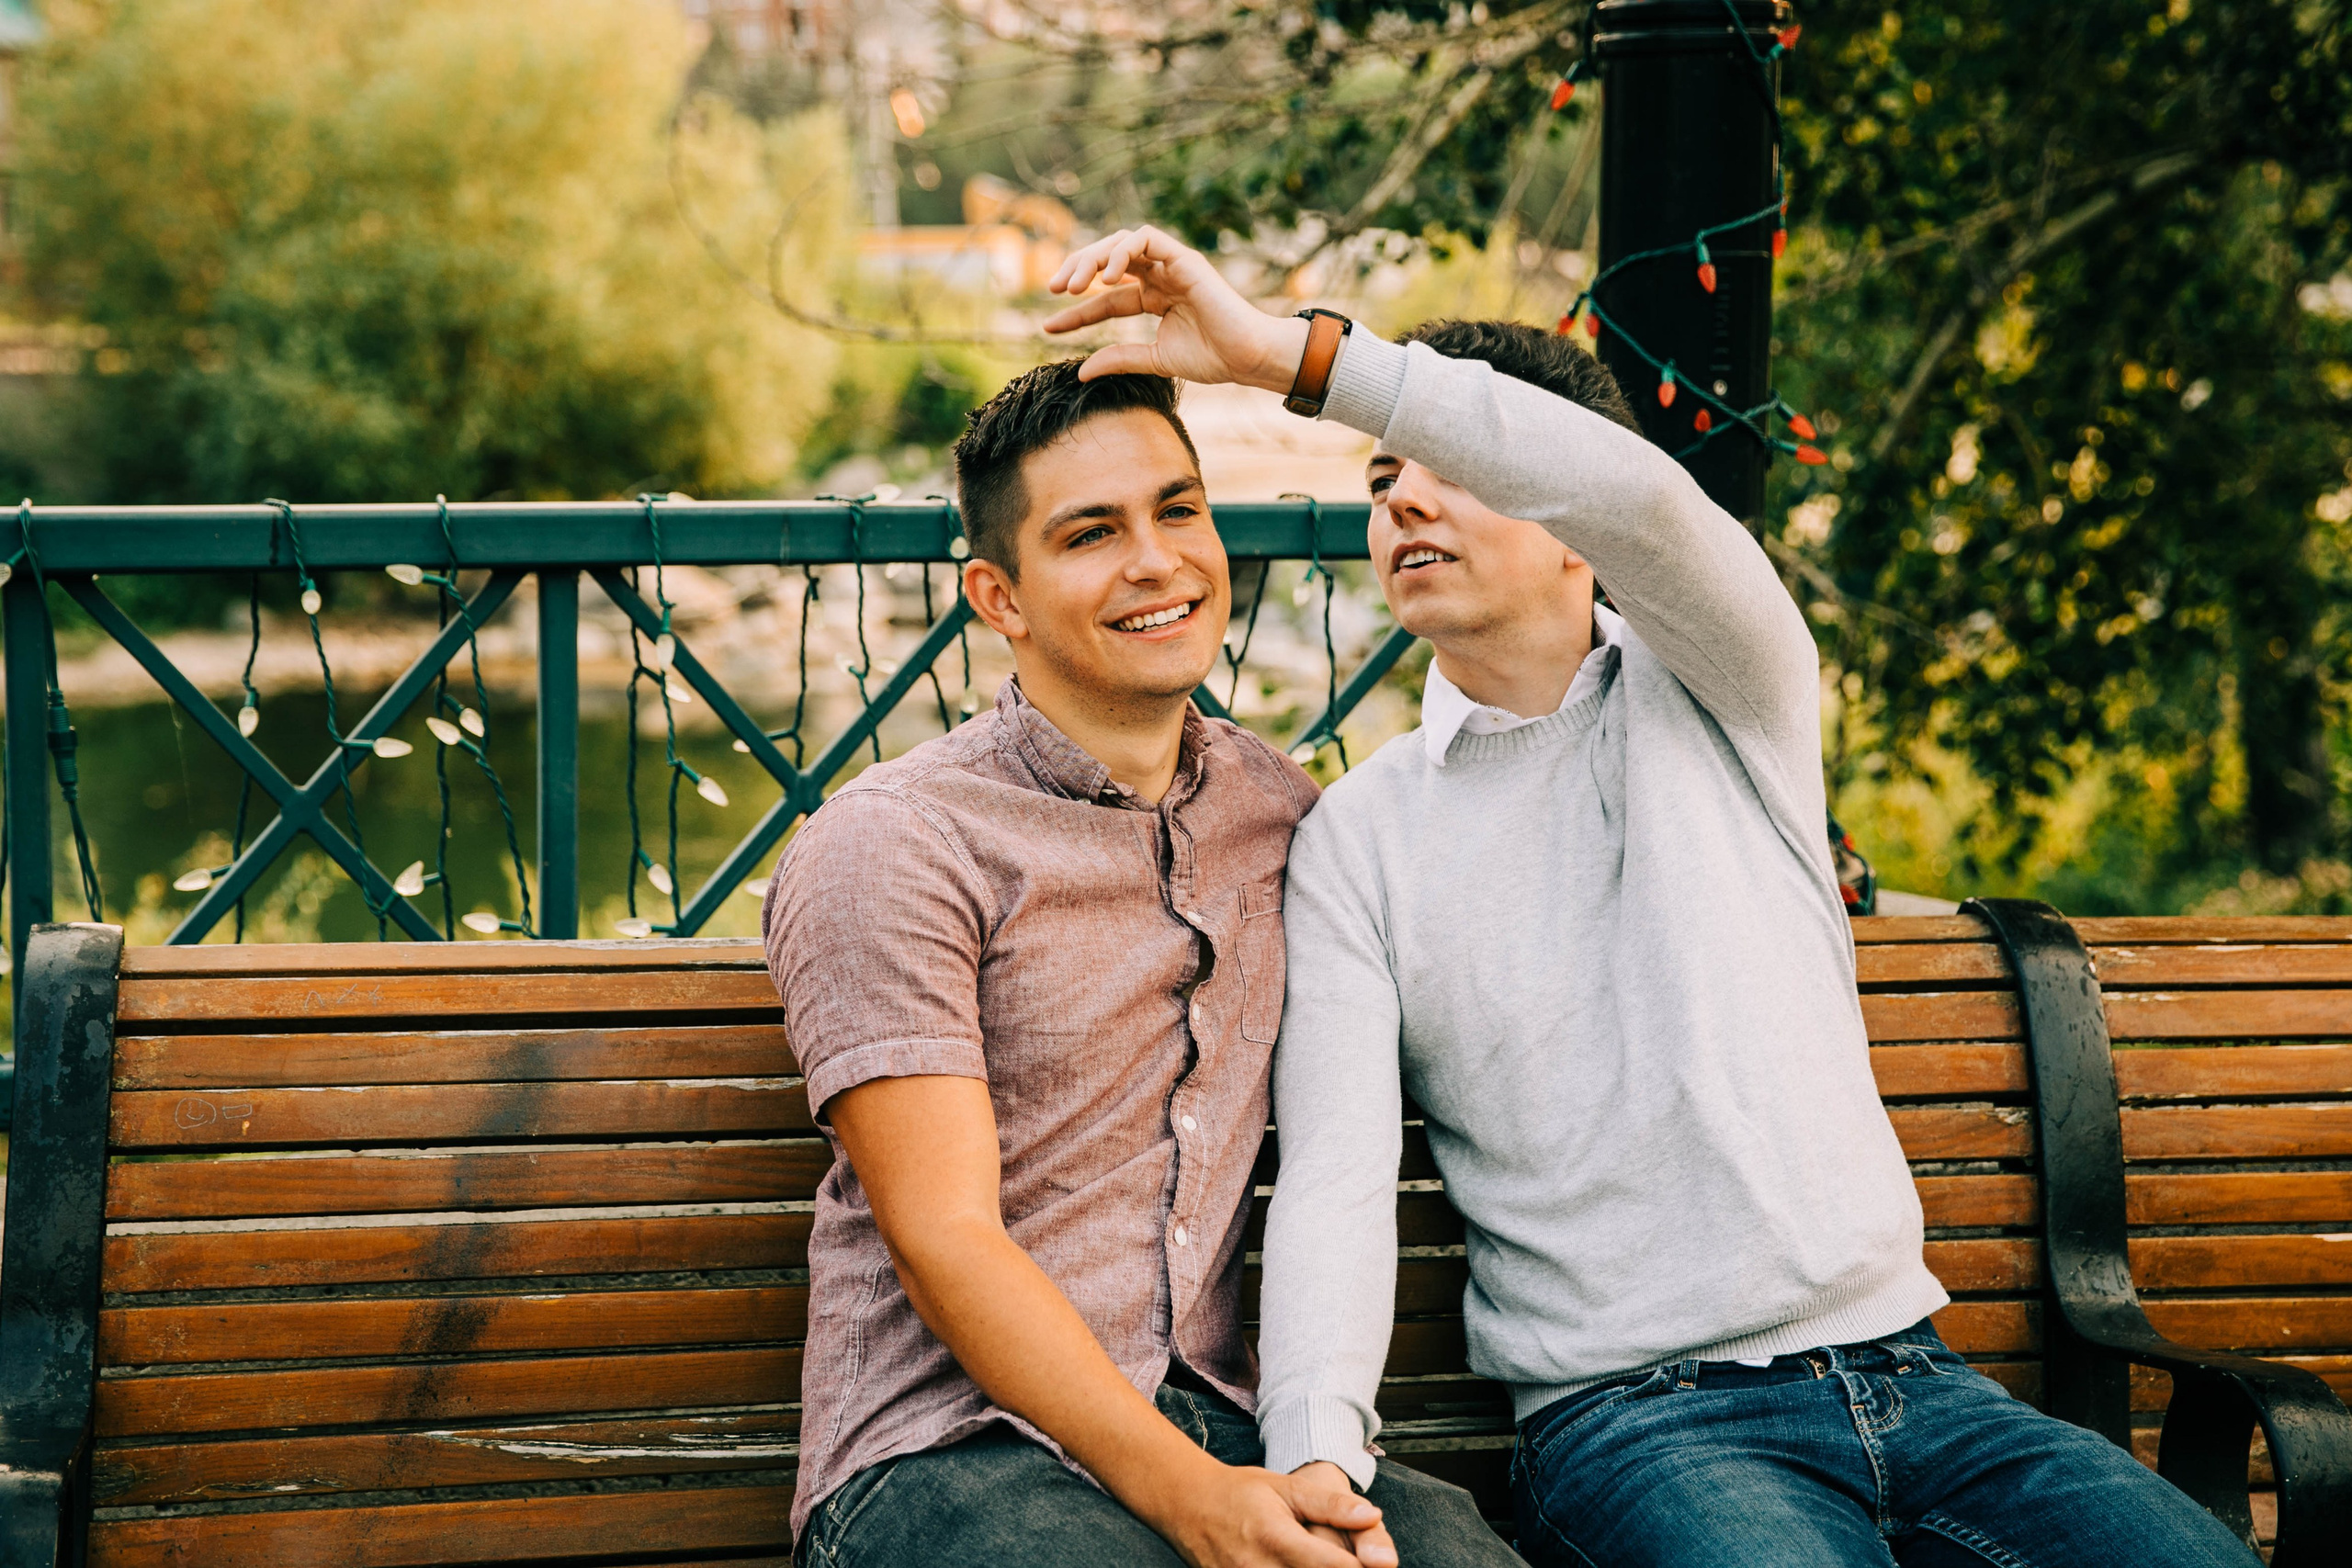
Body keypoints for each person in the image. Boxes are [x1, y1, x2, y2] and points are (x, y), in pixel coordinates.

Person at [1037, 225, 2263, 1568]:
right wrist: (1317, 1454)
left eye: (1456, 469)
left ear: (1574, 523)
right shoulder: (1359, 842)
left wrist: (1293, 357)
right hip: (1638, 1423)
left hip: (1921, 1384)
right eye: (1384, 482)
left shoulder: (1736, 694)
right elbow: (1337, 1179)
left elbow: (1654, 508)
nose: (1403, 502)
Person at [763, 364, 1520, 1568]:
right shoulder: (896, 844)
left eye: (1178, 510)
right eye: (1091, 534)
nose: (1158, 561)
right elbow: (946, 1235)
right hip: (945, 1460)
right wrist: (1196, 1501)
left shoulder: (1279, 814)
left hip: (1220, 1421)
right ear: (999, 597)